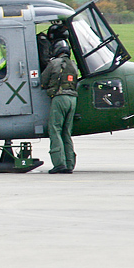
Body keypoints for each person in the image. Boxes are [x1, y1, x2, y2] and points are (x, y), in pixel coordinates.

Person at [40, 40, 79, 173]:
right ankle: (69, 164)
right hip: (73, 99)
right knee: (66, 132)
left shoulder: (54, 63)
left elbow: (43, 80)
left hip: (59, 97)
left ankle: (59, 163)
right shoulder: (73, 64)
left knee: (55, 129)